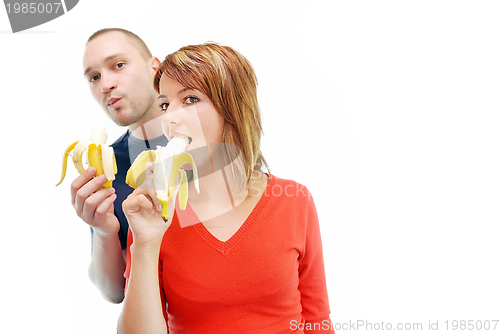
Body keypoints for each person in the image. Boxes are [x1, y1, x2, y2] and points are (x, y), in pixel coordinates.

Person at [117, 43, 334, 333]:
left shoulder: (295, 201)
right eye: (165, 104)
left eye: (191, 99)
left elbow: (317, 321)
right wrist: (144, 245)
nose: (169, 118)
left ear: (233, 108)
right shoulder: (153, 214)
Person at [71, 28, 168, 303]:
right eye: (94, 77)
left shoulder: (210, 138)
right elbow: (114, 291)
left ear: (155, 68)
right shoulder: (105, 167)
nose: (105, 85)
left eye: (118, 65)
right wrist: (103, 231)